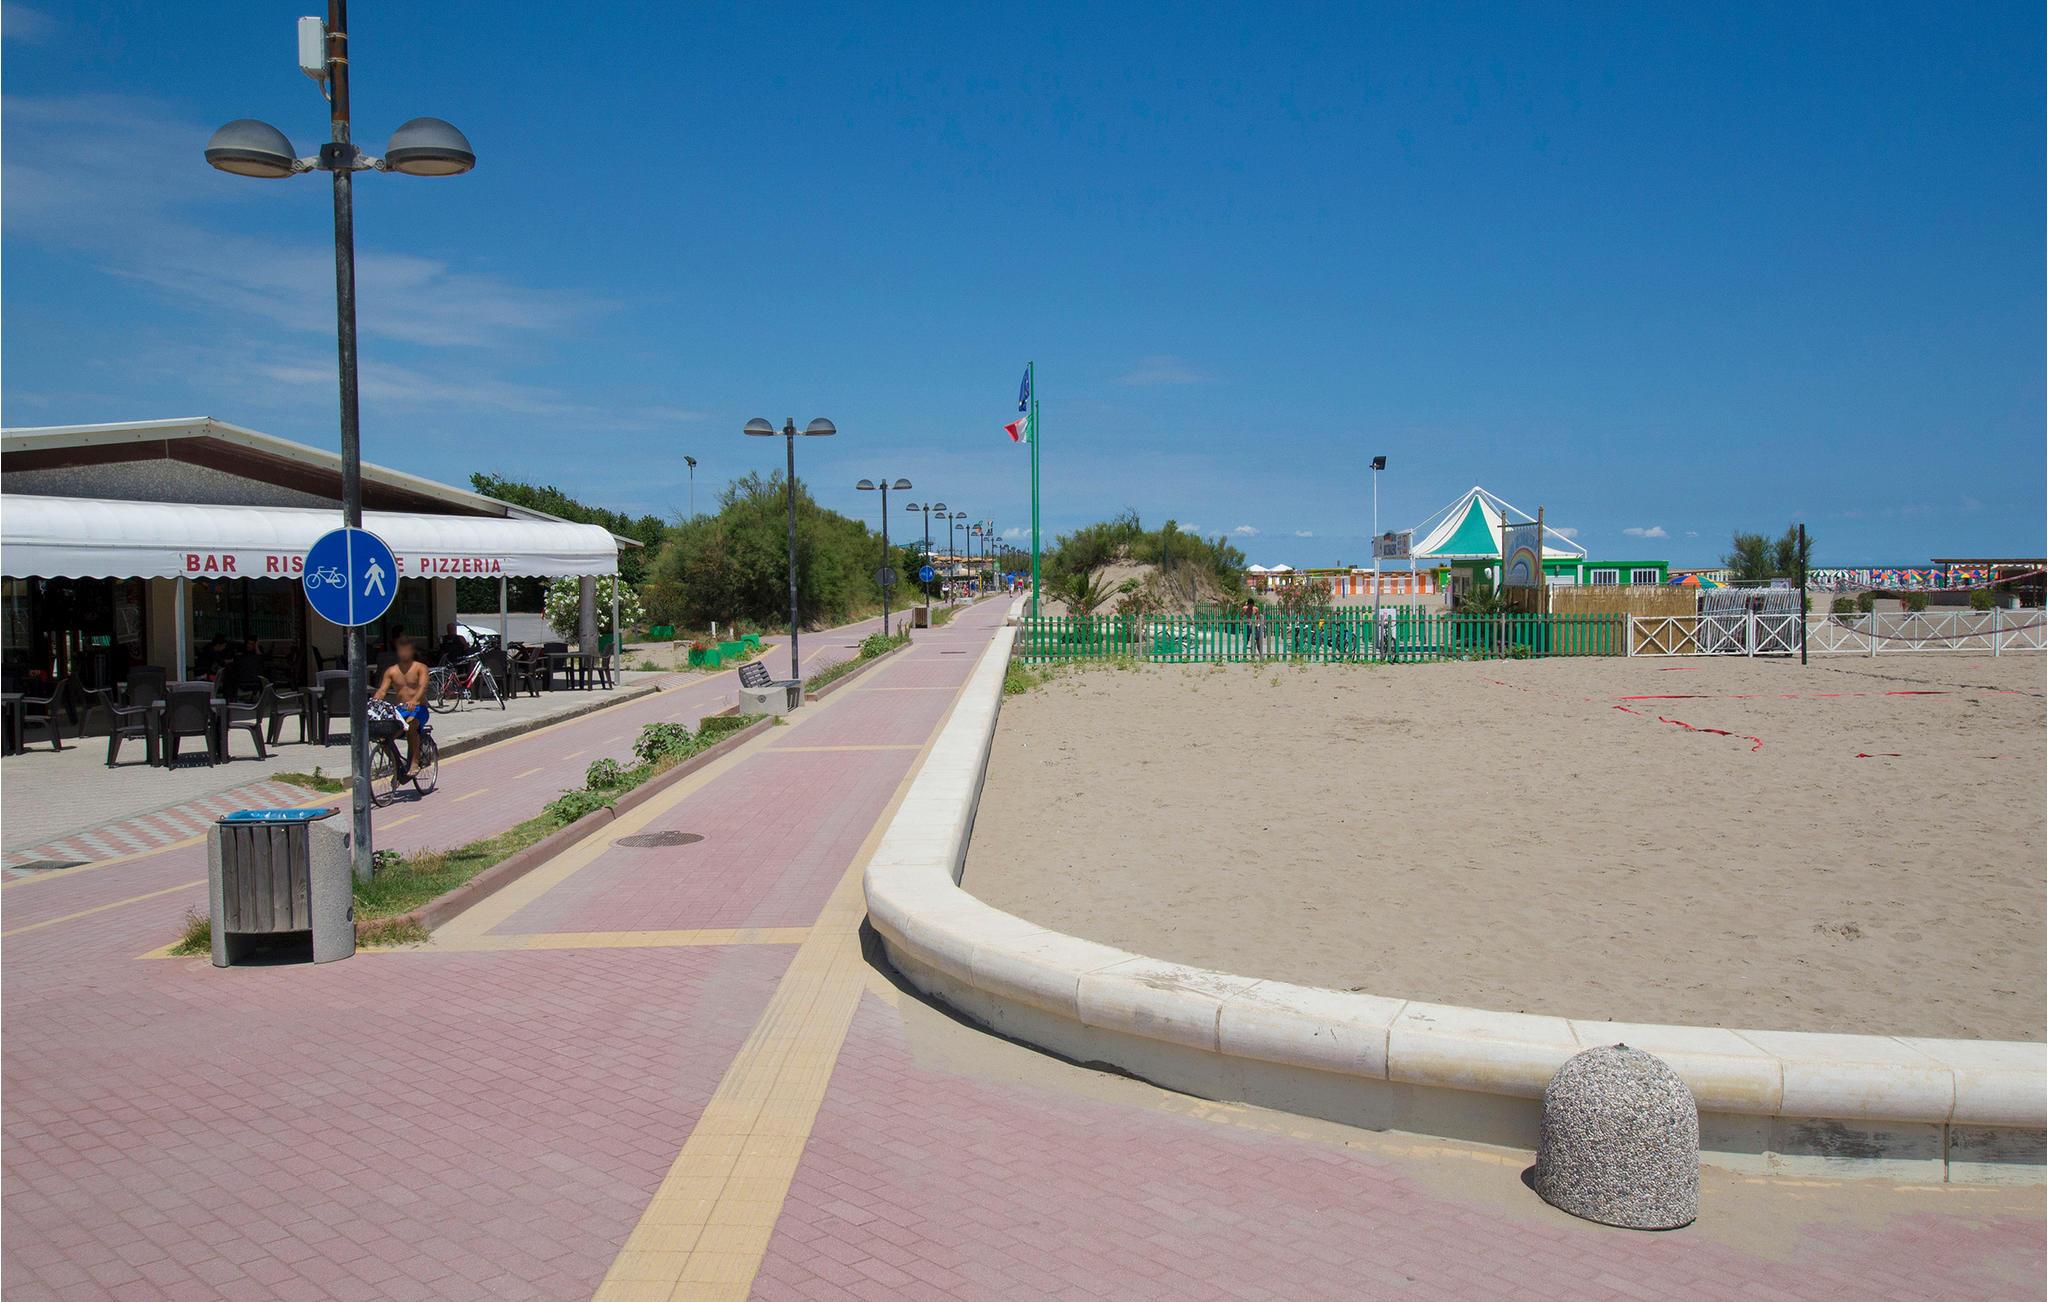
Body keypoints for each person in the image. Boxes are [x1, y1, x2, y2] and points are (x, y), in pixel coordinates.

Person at [372, 634, 430, 777]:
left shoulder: (420, 668)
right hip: (400, 710)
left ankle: (415, 761)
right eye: (401, 650)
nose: (404, 653)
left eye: (406, 650)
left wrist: (415, 700)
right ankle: (396, 764)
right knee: (384, 736)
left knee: (411, 726)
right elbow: (382, 690)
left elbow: (423, 687)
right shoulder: (391, 671)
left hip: (419, 709)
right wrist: (375, 701)